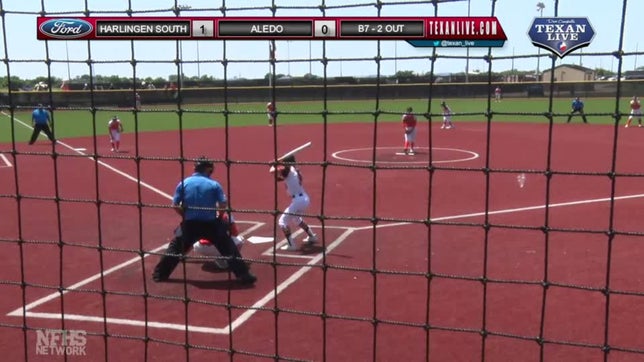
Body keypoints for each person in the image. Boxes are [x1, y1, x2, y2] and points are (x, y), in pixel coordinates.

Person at [152, 157, 256, 284]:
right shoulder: (214, 184)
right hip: (210, 224)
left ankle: (159, 274)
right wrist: (219, 217)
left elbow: (175, 204)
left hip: (190, 224)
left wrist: (184, 215)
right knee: (229, 248)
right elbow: (223, 204)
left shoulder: (184, 183)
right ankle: (243, 275)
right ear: (208, 169)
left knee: (175, 249)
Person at [271, 155, 317, 251]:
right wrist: (276, 164)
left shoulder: (288, 170)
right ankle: (312, 236)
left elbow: (272, 171)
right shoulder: (294, 170)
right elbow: (278, 177)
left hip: (298, 201)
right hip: (304, 199)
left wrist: (274, 164)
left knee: (282, 221)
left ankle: (291, 245)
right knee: (296, 219)